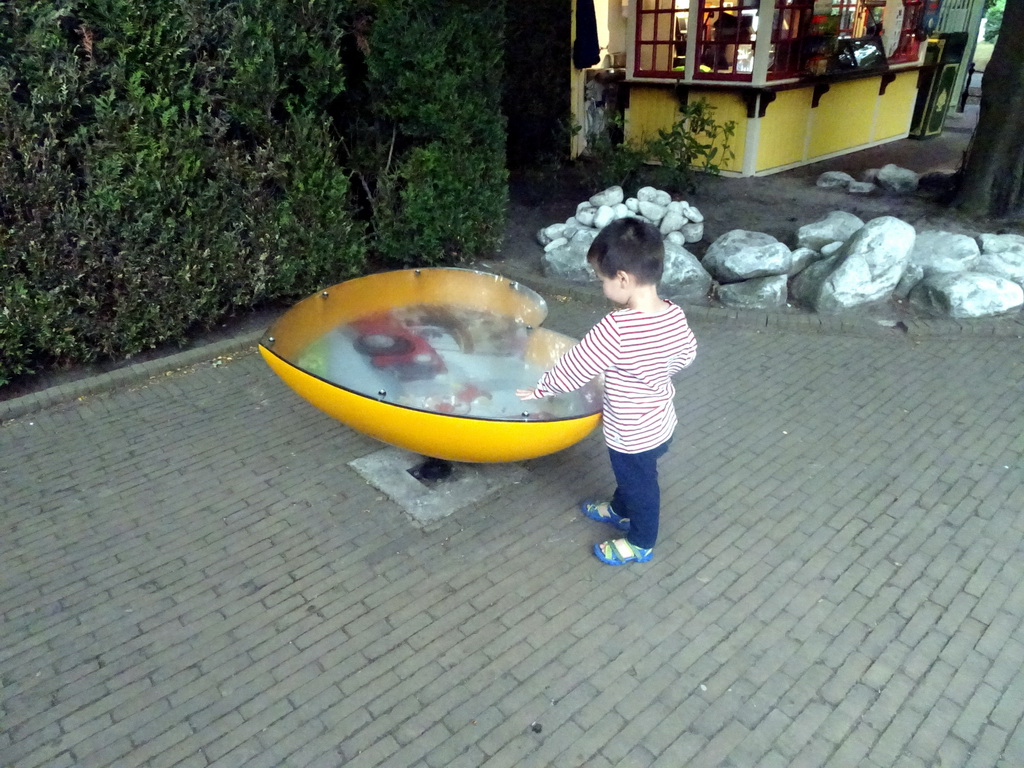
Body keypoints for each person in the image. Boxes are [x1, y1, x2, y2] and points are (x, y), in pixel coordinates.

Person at [517, 217, 698, 565]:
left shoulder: (617, 328)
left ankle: (641, 541)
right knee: (635, 476)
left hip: (631, 434)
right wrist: (654, 374)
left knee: (641, 485)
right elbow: (687, 353)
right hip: (661, 422)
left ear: (624, 280)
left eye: (602, 280)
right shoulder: (674, 314)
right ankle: (618, 508)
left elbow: (576, 366)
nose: (602, 288)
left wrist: (542, 388)